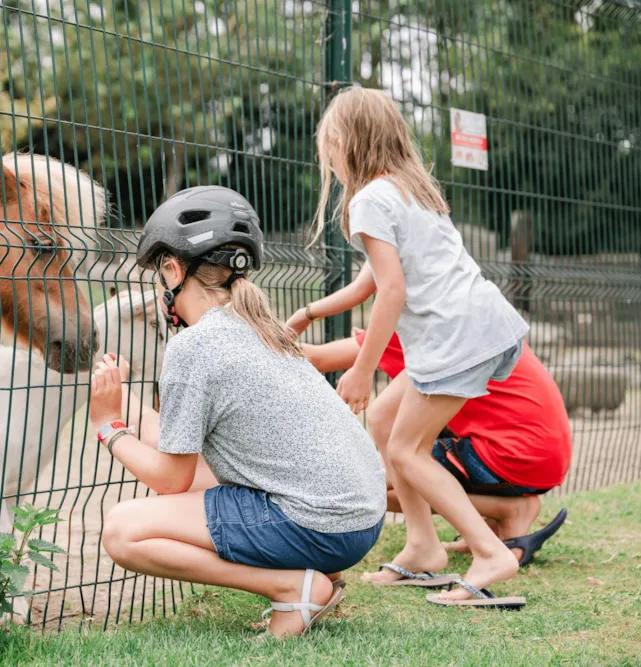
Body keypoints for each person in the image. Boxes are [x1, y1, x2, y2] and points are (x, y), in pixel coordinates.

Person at [89, 186, 386, 638]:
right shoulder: (264, 330)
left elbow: (171, 479)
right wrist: (122, 399)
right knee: (204, 479)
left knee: (122, 531)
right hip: (359, 522)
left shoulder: (193, 347)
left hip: (319, 525)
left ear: (173, 270)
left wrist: (107, 427)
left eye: (156, 273)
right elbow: (175, 449)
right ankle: (316, 577)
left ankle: (292, 588)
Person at [312, 87, 531, 608]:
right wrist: (308, 314)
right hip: (480, 324)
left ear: (344, 141)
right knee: (387, 424)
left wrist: (363, 371)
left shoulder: (369, 199)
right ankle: (423, 549)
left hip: (454, 337)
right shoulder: (409, 188)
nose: (330, 159)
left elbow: (392, 291)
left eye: (330, 147)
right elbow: (370, 281)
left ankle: (490, 554)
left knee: (408, 452)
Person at [286, 265, 572, 568]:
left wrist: (259, 338)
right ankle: (498, 514)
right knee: (395, 469)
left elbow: (317, 358)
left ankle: (508, 510)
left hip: (511, 455)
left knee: (383, 477)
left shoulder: (422, 328)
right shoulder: (460, 320)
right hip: (541, 455)